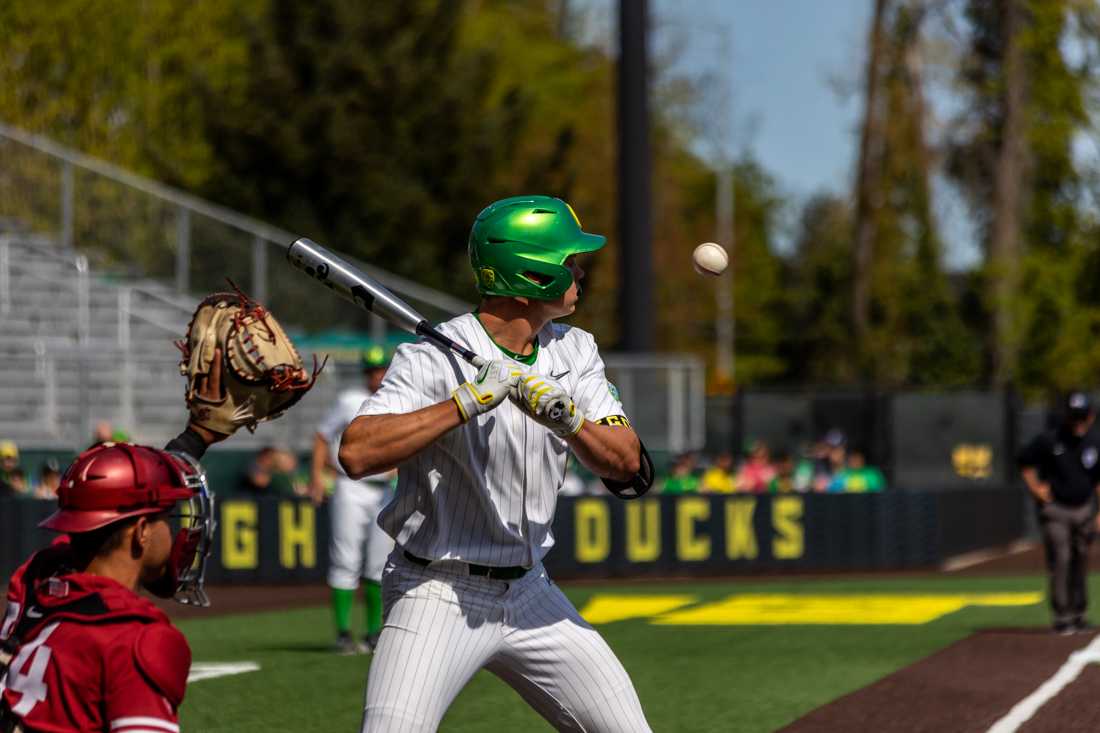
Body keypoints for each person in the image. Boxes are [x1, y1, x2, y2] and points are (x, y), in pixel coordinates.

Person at [340, 195, 654, 732]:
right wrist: (461, 404)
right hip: (435, 589)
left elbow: (629, 467)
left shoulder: (575, 350)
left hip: (531, 592)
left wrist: (567, 419)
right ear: (529, 275)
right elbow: (357, 452)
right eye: (567, 261)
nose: (579, 270)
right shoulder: (432, 356)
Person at [0, 354, 226, 732]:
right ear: (141, 532)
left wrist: (194, 438)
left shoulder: (37, 583)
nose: (174, 531)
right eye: (166, 518)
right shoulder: (136, 640)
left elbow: (93, 525)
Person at [310, 345, 396, 655]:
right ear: (365, 373)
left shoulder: (398, 398)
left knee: (378, 563)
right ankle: (344, 632)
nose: (378, 375)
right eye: (373, 370)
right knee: (345, 557)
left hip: (385, 488)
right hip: (350, 484)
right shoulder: (349, 400)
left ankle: (374, 632)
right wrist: (317, 476)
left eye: (382, 369)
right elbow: (322, 435)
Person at [1018, 391, 1100, 634]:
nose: (1078, 424)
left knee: (1080, 558)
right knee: (1062, 558)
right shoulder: (1050, 440)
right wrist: (1036, 488)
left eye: (1082, 418)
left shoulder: (1095, 442)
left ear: (1091, 417)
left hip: (1083, 508)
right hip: (1056, 510)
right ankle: (1062, 615)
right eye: (1074, 418)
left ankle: (1079, 613)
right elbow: (1024, 461)